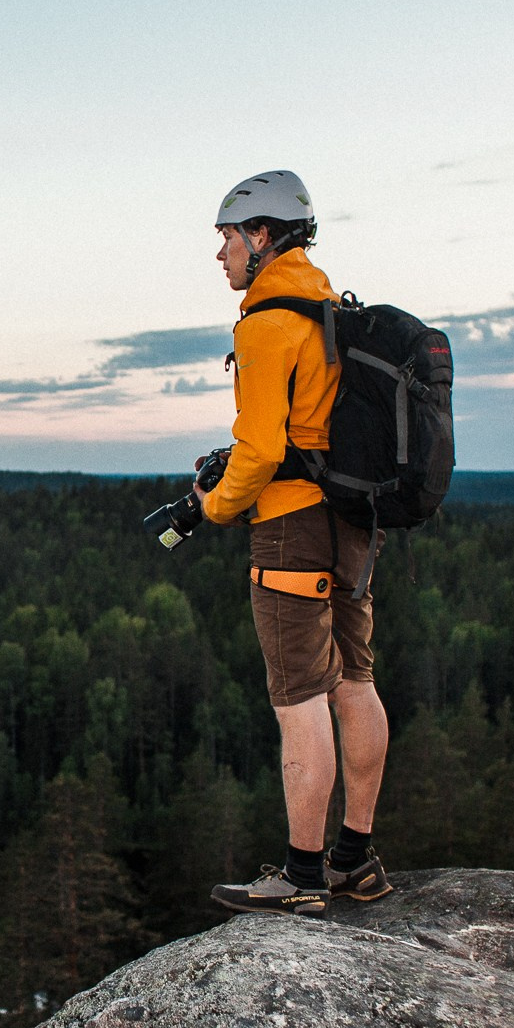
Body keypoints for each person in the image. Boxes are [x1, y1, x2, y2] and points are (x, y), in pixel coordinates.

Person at [199, 170, 394, 914]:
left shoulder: (264, 323)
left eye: (226, 240)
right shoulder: (327, 308)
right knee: (356, 682)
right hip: (352, 522)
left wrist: (214, 507)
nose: (220, 257)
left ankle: (302, 875)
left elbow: (257, 452)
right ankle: (356, 858)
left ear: (260, 235)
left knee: (298, 697)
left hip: (290, 528)